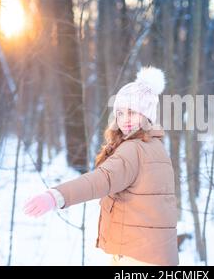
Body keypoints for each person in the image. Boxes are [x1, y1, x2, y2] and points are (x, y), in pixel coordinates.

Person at [23, 66, 179, 266]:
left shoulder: (133, 150)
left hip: (136, 257)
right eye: (120, 113)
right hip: (157, 255)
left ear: (146, 115)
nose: (124, 120)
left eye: (132, 113)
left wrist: (55, 196)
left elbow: (101, 180)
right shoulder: (157, 147)